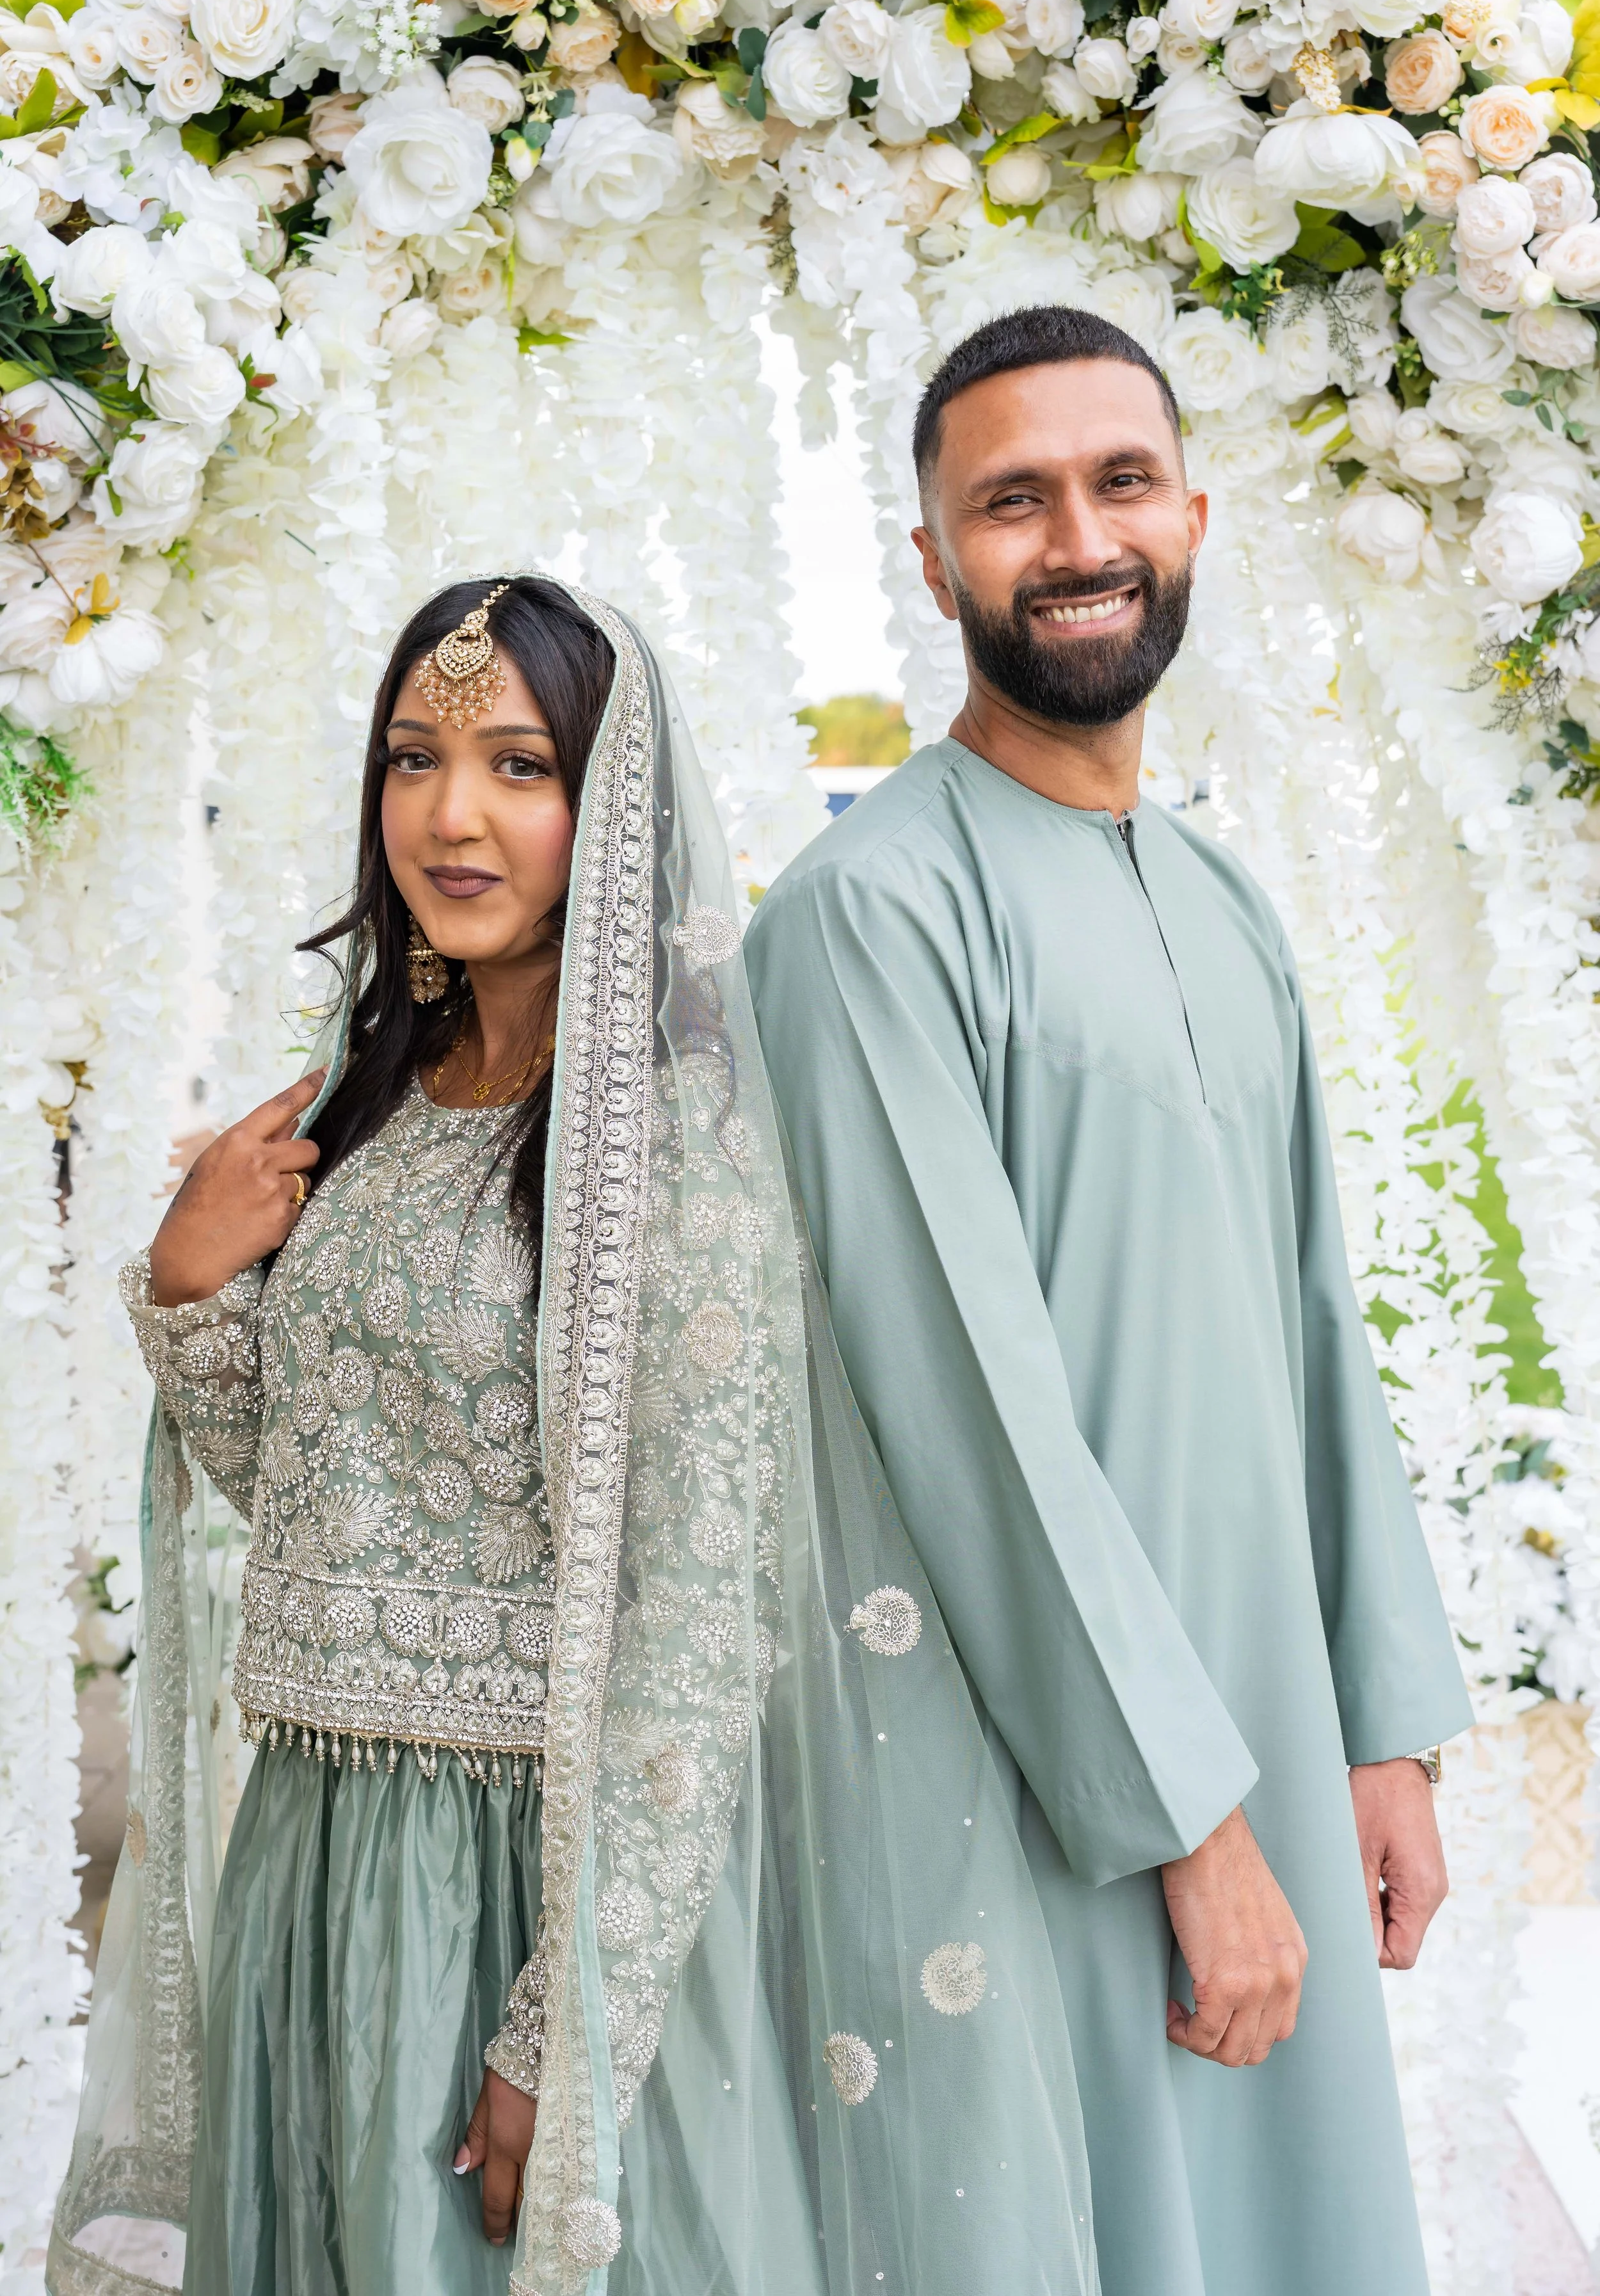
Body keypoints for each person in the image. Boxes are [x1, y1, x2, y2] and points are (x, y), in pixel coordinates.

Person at [50, 574, 1106, 2296]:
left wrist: (569, 2017)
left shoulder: (669, 1160)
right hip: (309, 1854)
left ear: (607, 802)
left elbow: (696, 1623)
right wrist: (187, 1286)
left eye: (517, 765)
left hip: (514, 1878)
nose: (448, 815)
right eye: (413, 757)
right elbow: (318, 1497)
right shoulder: (367, 1105)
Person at [743, 305, 1474, 2296]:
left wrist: (1380, 1727)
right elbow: (961, 1408)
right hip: (1044, 1779)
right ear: (932, 560)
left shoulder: (1223, 900)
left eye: (1117, 480)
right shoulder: (866, 916)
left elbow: (1313, 1325)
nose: (1076, 535)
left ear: (1191, 512)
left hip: (1260, 1735)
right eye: (1011, 498)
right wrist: (1187, 1828)